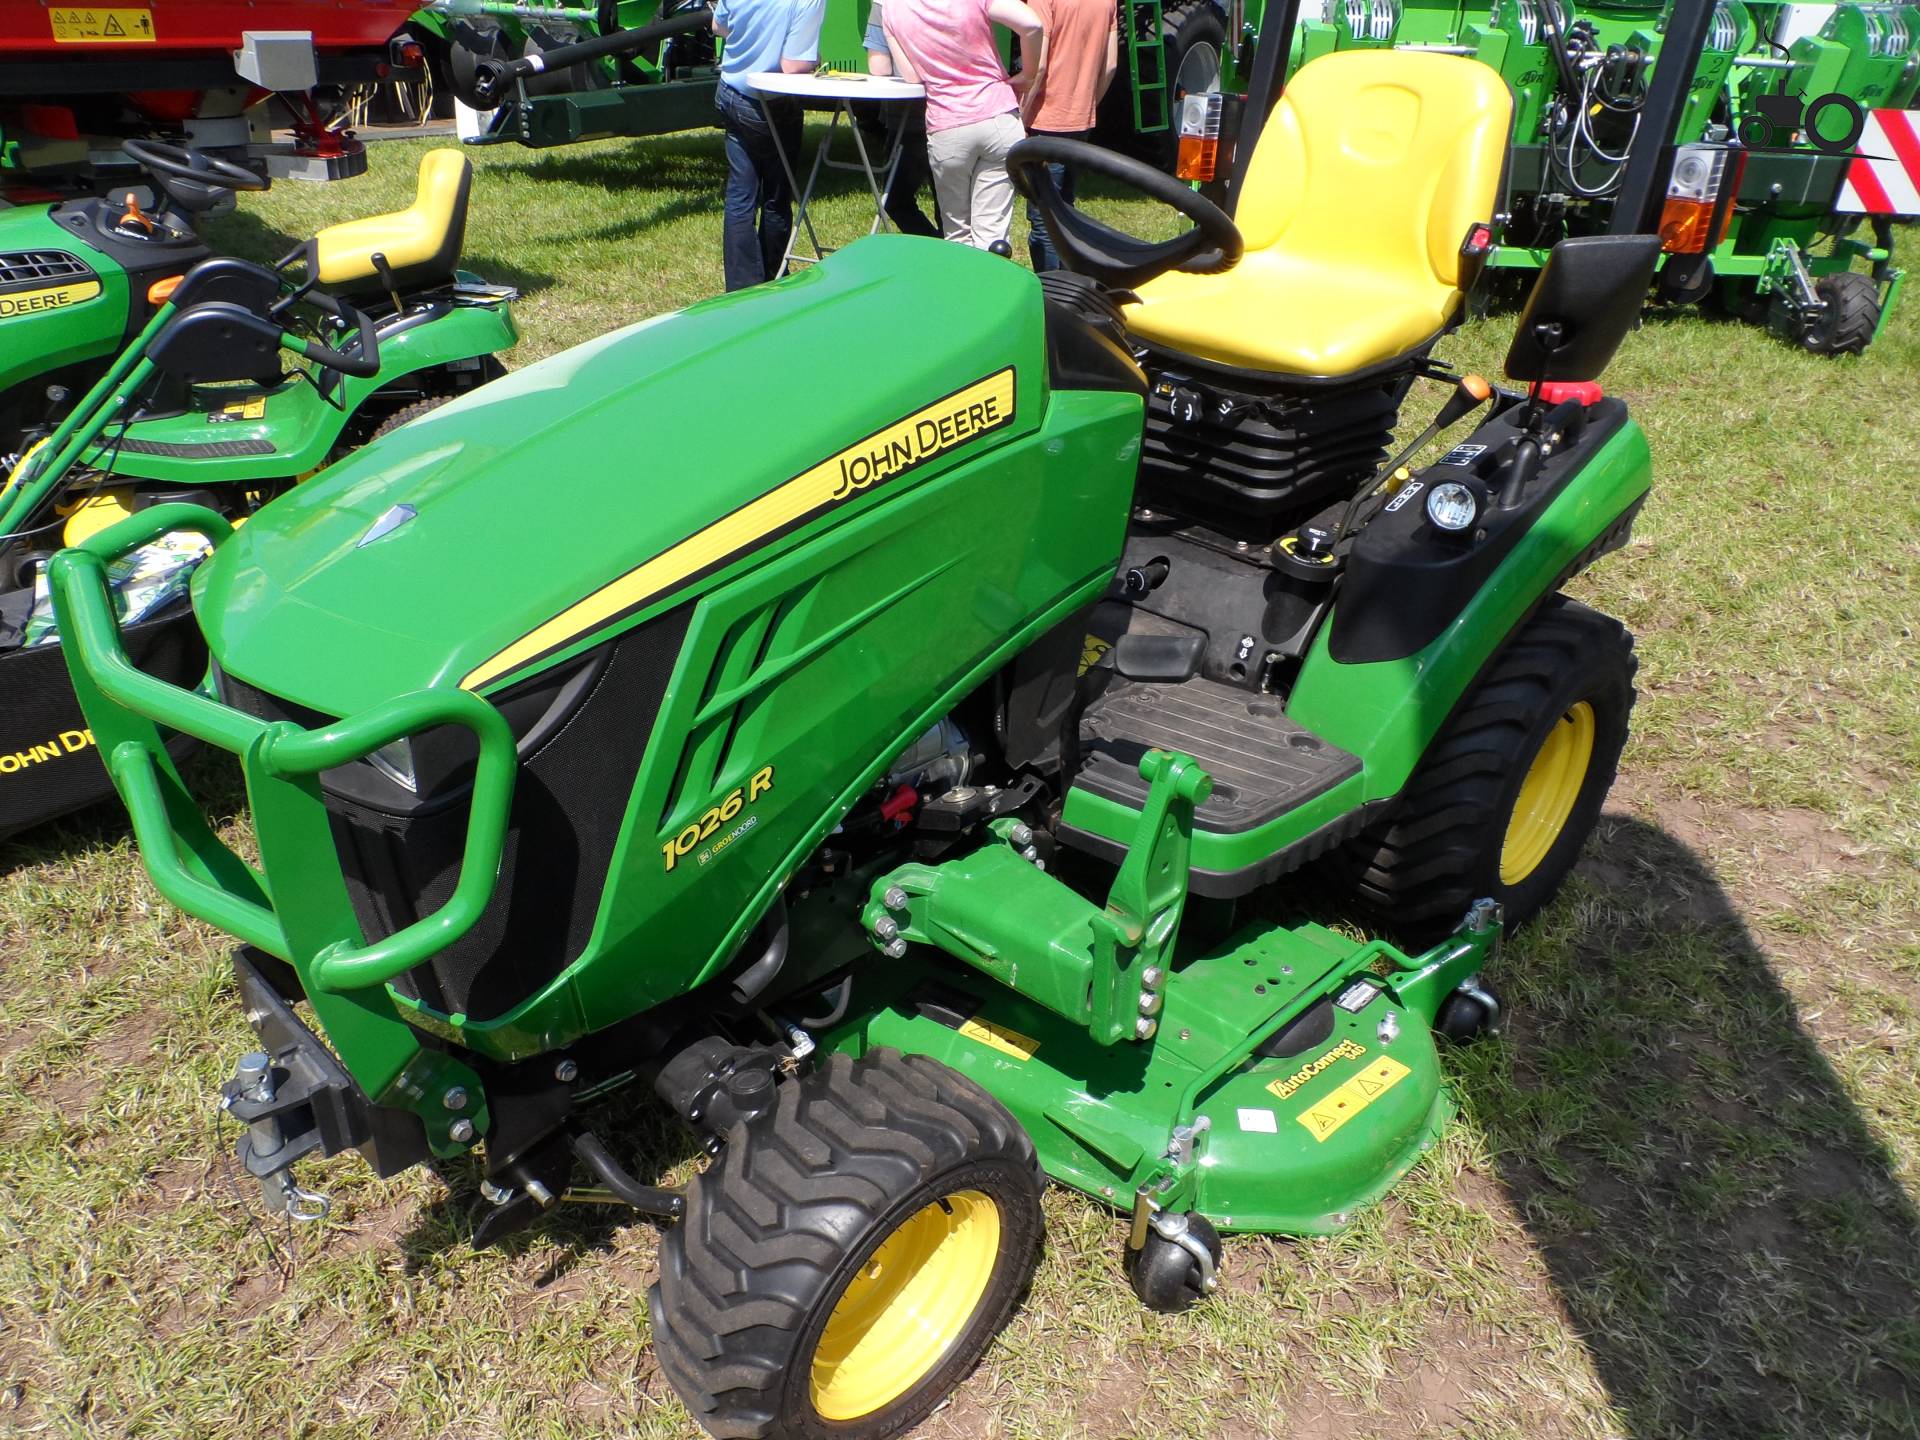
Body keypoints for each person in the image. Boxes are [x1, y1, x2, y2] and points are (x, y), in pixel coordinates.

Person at [883, 0, 1047, 251]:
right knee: (992, 234)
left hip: (948, 127)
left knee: (957, 235)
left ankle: (964, 287)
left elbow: (912, 76)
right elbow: (1032, 24)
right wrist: (1029, 74)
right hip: (999, 118)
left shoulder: (892, 8)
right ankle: (992, 287)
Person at [712, 0, 826, 290]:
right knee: (775, 197)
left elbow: (718, 26)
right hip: (770, 103)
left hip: (730, 92)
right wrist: (815, 61)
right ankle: (774, 279)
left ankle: (741, 287)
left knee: (741, 193)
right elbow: (793, 66)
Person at [1022, 0, 1116, 271]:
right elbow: (1109, 66)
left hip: (1046, 121)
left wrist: (1021, 116)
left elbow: (1038, 66)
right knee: (1066, 210)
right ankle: (1070, 286)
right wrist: (1087, 105)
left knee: (1043, 219)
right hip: (1080, 121)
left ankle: (1051, 296)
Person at [860, 0, 941, 237]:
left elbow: (879, 66)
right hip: (954, 110)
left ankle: (937, 249)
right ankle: (949, 254)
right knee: (950, 207)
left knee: (896, 200)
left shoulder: (883, 4)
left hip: (908, 117)